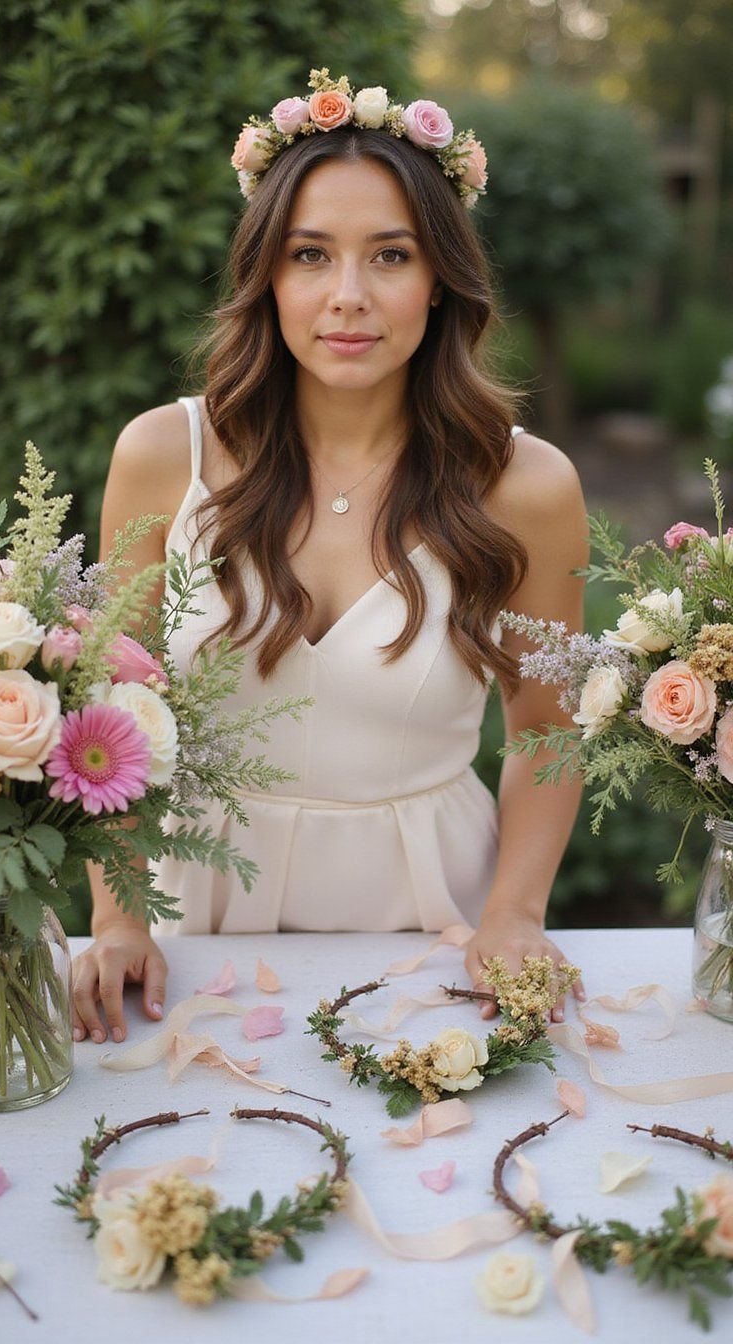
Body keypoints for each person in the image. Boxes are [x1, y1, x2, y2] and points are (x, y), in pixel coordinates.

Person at [72, 72, 588, 1045]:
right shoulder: (158, 458)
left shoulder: (528, 487)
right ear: (267, 273)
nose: (348, 297)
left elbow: (547, 728)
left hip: (441, 923)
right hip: (195, 925)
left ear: (439, 277)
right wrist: (117, 918)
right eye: (311, 255)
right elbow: (108, 721)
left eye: (390, 255)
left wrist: (515, 914)